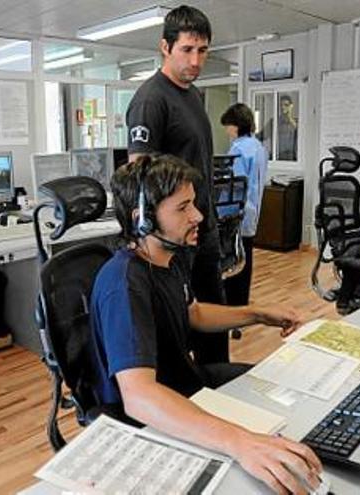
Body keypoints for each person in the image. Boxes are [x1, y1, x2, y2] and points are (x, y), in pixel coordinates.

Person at [90, 154, 323, 493]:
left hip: (188, 386)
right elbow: (138, 397)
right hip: (149, 419)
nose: (198, 216)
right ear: (144, 220)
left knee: (284, 395)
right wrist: (240, 442)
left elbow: (193, 314)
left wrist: (258, 313)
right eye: (182, 208)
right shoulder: (124, 284)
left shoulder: (169, 257)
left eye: (194, 204)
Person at [126, 5, 228, 364]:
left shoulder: (193, 95)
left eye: (203, 51)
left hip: (203, 229)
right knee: (179, 332)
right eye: (187, 49)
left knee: (213, 329)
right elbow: (140, 176)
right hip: (175, 237)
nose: (196, 60)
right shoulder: (151, 99)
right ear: (165, 47)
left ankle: (220, 396)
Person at [219, 103, 268, 305]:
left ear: (236, 125)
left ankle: (232, 303)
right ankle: (241, 301)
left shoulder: (238, 148)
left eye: (228, 126)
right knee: (245, 255)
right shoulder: (258, 146)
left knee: (233, 259)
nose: (226, 131)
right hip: (252, 211)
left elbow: (234, 183)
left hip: (235, 212)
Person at [277, 94, 297, 161]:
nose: (283, 107)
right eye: (281, 105)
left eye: (286, 105)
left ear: (291, 106)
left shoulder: (297, 122)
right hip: (280, 156)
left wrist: (289, 117)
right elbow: (261, 135)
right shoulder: (275, 122)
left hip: (294, 157)